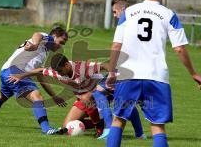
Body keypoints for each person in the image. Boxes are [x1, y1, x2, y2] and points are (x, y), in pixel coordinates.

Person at [106, 0, 201, 147]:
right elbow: (179, 48)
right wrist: (194, 73)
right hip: (156, 76)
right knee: (157, 126)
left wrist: (111, 71)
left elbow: (116, 44)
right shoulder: (169, 14)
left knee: (118, 121)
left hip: (128, 75)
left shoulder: (128, 12)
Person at [8, 53, 145, 139]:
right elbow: (39, 70)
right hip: (85, 97)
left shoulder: (82, 67)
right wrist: (20, 76)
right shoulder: (56, 72)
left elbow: (104, 65)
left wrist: (112, 76)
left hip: (101, 90)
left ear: (67, 65)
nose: (59, 74)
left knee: (122, 102)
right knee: (68, 126)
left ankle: (103, 128)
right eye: (56, 71)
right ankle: (102, 123)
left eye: (61, 70)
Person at [0, 27, 68, 135]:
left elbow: (40, 77)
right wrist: (35, 44)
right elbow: (37, 34)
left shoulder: (43, 52)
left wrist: (54, 96)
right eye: (61, 42)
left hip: (6, 71)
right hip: (15, 72)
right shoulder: (46, 39)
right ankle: (46, 129)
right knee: (37, 97)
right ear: (54, 37)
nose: (61, 46)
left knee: (3, 95)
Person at [92, 0, 146, 140]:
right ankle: (140, 134)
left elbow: (117, 47)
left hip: (125, 67)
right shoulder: (139, 21)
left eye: (115, 12)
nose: (114, 16)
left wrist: (111, 71)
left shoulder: (125, 22)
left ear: (122, 9)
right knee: (124, 99)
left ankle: (109, 128)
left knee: (98, 92)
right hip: (138, 66)